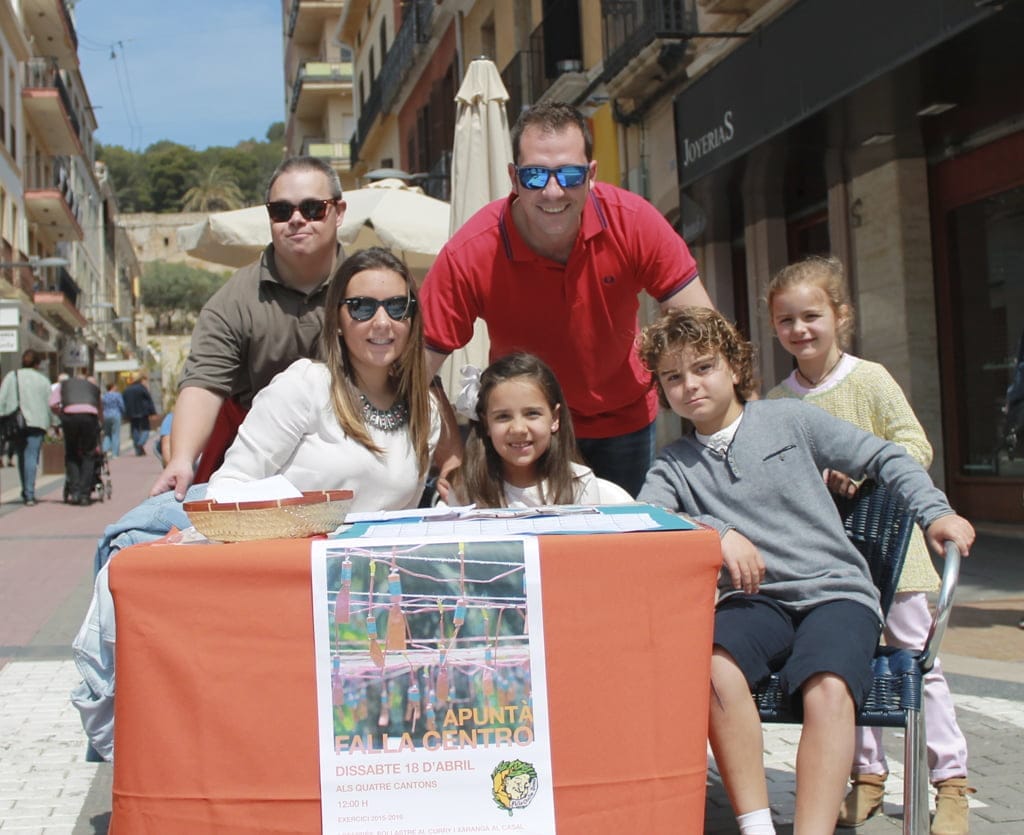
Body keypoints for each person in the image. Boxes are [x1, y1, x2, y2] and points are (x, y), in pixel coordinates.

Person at [634, 307, 975, 835]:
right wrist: (717, 532)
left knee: (828, 685)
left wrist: (936, 512)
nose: (690, 385)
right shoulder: (672, 463)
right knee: (711, 665)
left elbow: (886, 456)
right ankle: (756, 825)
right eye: (673, 377)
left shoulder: (788, 418)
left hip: (834, 591)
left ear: (734, 367)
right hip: (755, 600)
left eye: (703, 367)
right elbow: (649, 520)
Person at [765, 255, 973, 834]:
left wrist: (868, 475)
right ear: (774, 325)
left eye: (812, 315)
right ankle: (868, 778)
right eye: (787, 320)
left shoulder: (871, 378)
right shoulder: (777, 404)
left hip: (895, 551)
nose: (800, 329)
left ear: (840, 316)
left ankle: (950, 782)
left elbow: (914, 444)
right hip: (829, 563)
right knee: (847, 665)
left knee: (917, 662)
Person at [418, 101, 713, 497]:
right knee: (538, 550)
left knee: (624, 549)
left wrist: (737, 427)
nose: (553, 191)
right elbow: (415, 368)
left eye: (570, 174)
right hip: (528, 429)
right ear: (514, 177)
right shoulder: (471, 251)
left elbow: (704, 331)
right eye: (536, 175)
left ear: (591, 175)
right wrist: (446, 450)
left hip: (623, 422)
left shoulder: (631, 220)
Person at [152, 155, 347, 501]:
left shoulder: (369, 288)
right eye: (281, 211)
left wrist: (447, 462)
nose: (297, 219)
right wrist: (182, 460)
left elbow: (413, 374)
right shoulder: (232, 301)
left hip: (351, 449)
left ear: (339, 212)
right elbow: (203, 384)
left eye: (313, 208)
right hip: (257, 464)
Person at [209, 247, 442, 511]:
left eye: (397, 307)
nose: (382, 322)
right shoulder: (306, 385)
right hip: (292, 549)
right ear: (337, 321)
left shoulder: (426, 412)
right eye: (362, 307)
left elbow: (402, 516)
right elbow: (228, 487)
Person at [441, 353, 633, 508]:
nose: (518, 429)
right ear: (485, 423)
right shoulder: (465, 490)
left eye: (532, 414)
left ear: (555, 418)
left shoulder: (580, 485)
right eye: (503, 416)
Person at [0, 349, 55, 506]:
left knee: (21, 456)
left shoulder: (12, 376)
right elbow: (50, 403)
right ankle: (29, 493)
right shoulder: (43, 380)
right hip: (37, 423)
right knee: (32, 456)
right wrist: (55, 422)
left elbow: (1, 399)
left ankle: (26, 490)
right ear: (38, 364)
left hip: (16, 423)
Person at [50, 370, 102, 506]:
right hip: (89, 417)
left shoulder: (64, 385)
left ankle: (75, 492)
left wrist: (61, 414)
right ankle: (85, 494)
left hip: (70, 417)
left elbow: (53, 404)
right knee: (89, 454)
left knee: (72, 454)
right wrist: (100, 424)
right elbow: (99, 406)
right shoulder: (92, 386)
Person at [121, 373, 156, 456]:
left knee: (135, 429)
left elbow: (124, 402)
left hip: (131, 413)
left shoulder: (127, 390)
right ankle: (141, 443)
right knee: (146, 429)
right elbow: (149, 400)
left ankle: (138, 450)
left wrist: (125, 414)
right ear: (141, 380)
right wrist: (153, 412)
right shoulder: (142, 388)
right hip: (143, 412)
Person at [101, 383, 126, 457]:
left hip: (105, 415)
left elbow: (102, 405)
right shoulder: (117, 395)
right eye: (115, 386)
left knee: (107, 434)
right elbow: (121, 405)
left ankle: (105, 449)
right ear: (112, 387)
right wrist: (124, 413)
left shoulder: (104, 396)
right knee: (115, 434)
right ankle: (115, 453)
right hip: (116, 414)